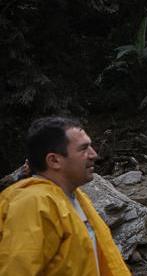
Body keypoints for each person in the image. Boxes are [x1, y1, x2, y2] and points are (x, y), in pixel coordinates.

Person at [0, 117, 130, 276]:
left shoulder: (76, 197)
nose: (94, 154)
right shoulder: (33, 203)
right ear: (54, 160)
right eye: (83, 149)